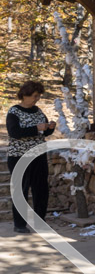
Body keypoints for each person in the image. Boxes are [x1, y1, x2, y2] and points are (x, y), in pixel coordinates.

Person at [6, 80, 56, 234]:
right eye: (35, 96)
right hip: (19, 157)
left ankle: (40, 223)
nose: (37, 99)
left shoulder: (38, 111)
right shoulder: (14, 112)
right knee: (21, 190)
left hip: (38, 155)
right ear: (25, 95)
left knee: (41, 189)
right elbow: (14, 133)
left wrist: (49, 129)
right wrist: (36, 128)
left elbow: (44, 133)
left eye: (39, 96)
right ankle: (19, 224)